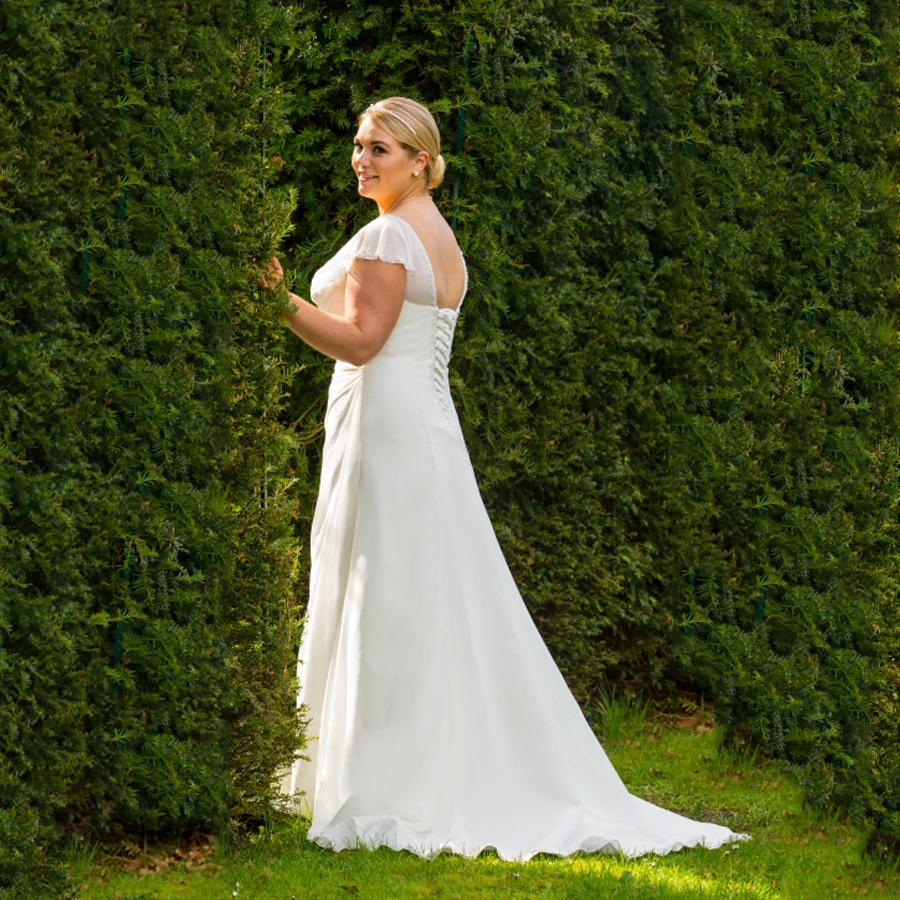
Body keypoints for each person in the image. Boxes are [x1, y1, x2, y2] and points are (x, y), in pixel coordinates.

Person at [260, 96, 748, 861]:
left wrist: (276, 302)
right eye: (358, 144)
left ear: (421, 160)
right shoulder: (435, 234)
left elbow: (359, 343)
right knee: (422, 592)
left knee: (386, 592)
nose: (362, 159)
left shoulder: (393, 232)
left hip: (388, 429)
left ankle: (383, 783)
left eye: (380, 148)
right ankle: (392, 763)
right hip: (417, 426)